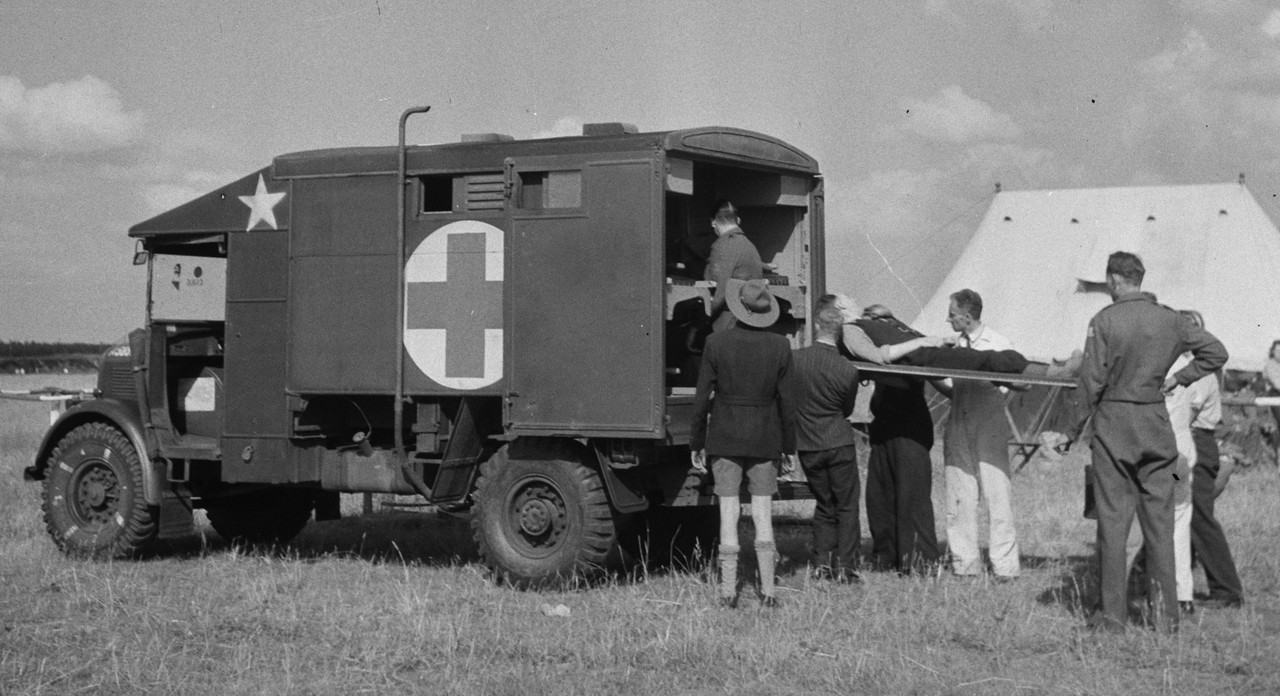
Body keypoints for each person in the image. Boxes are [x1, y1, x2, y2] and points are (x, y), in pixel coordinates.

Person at [1069, 251, 1227, 633]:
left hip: (1114, 429)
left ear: (1113, 280)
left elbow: (1090, 382)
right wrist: (1181, 377)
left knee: (1112, 524)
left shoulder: (1104, 320)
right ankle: (1165, 620)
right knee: (1161, 527)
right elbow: (1217, 353)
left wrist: (1070, 430)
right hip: (1158, 429)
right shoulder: (1172, 320)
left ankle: (1112, 619)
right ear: (1139, 278)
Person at [690, 278, 798, 608]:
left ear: (738, 307)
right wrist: (789, 447)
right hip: (765, 438)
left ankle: (727, 592)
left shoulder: (715, 342)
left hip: (724, 435)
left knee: (727, 513)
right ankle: (768, 592)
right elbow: (788, 403)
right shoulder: (780, 346)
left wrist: (697, 441)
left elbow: (700, 398)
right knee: (763, 515)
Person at [829, 297, 945, 574]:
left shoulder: (908, 346)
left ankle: (920, 562)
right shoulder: (885, 347)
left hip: (910, 426)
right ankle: (886, 556)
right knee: (880, 495)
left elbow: (939, 378)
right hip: (884, 424)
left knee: (912, 496)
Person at [937, 289, 1021, 580]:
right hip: (959, 419)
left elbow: (1009, 384)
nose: (948, 319)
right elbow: (948, 383)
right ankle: (965, 564)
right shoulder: (952, 346)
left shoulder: (998, 343)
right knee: (959, 494)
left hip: (989, 421)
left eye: (952, 314)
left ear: (967, 316)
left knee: (997, 495)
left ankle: (1005, 567)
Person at [789, 295, 864, 582]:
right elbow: (846, 409)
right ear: (840, 331)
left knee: (823, 503)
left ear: (818, 326)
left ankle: (822, 564)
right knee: (846, 505)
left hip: (807, 445)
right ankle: (847, 568)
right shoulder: (848, 369)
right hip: (838, 441)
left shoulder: (796, 360)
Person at [1185, 312, 1244, 609]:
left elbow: (1186, 417)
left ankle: (1227, 590)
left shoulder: (1199, 372)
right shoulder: (1188, 369)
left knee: (1198, 516)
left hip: (1196, 446)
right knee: (1181, 509)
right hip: (1188, 448)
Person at [704, 200, 765, 333]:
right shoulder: (749, 245)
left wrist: (703, 319)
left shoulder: (722, 246)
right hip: (749, 319)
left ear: (713, 222)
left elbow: (719, 292)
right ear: (738, 220)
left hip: (727, 322)